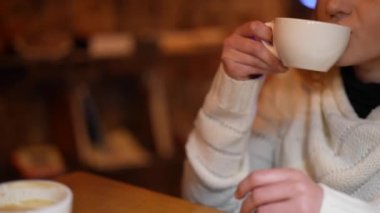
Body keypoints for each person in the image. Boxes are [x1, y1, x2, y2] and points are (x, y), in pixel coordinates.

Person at [181, 0, 380, 212]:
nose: (332, 6)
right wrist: (233, 90)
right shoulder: (293, 87)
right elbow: (213, 204)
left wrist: (326, 207)